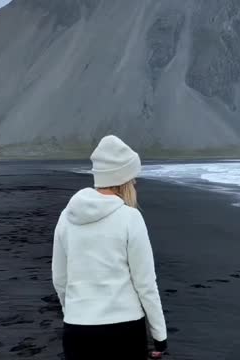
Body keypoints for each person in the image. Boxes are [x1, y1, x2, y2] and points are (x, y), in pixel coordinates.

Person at [52, 135, 168, 359]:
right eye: (133, 178)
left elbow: (60, 279)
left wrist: (74, 313)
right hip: (124, 330)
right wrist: (159, 337)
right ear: (123, 179)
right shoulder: (130, 218)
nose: (135, 183)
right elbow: (145, 284)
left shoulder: (66, 218)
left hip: (77, 330)